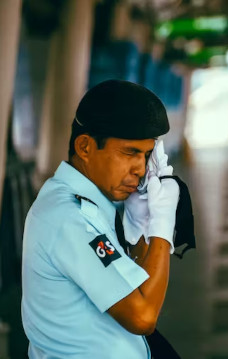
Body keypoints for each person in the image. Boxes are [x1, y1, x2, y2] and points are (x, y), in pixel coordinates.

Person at [21, 79, 180, 358]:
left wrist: (141, 226)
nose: (141, 169)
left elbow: (138, 287)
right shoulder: (71, 217)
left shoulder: (90, 205)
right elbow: (143, 317)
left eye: (146, 155)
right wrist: (162, 226)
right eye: (129, 153)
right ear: (84, 147)